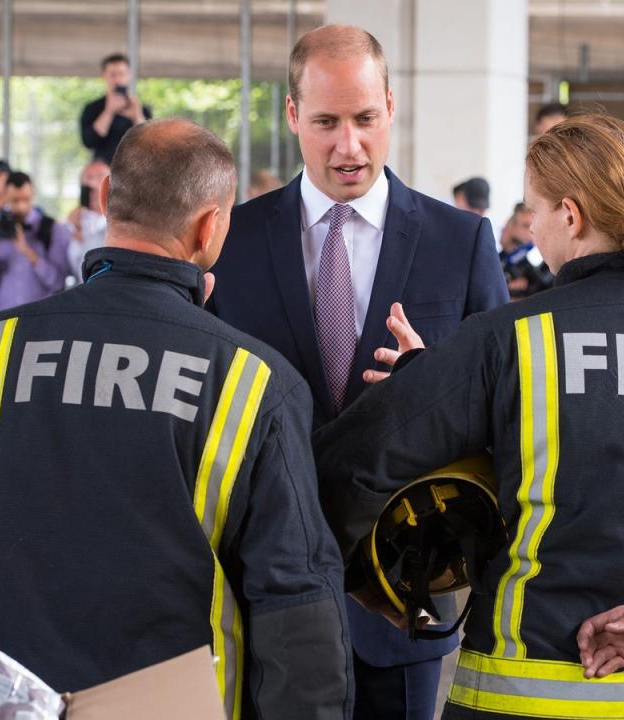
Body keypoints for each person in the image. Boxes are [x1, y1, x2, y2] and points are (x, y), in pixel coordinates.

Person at [313, 114, 624, 720]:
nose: (532, 227)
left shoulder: (508, 344)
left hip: (518, 700)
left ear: (570, 217)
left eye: (535, 209)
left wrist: (376, 581)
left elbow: (341, 467)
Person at [0, 119, 350, 719]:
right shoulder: (255, 383)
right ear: (210, 226)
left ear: (109, 196)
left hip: (16, 706)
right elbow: (296, 608)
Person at [208, 23, 508, 720]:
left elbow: (505, 409)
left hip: (401, 597)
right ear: (292, 117)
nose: (349, 145)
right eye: (326, 122)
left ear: (391, 109)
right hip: (263, 592)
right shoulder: (231, 240)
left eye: (366, 119)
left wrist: (436, 380)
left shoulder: (460, 241)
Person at [0, 171, 71, 312]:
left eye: (26, 199)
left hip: (40, 316)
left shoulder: (51, 229)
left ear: (33, 195)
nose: (21, 206)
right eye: (15, 200)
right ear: (5, 197)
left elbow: (58, 283)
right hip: (2, 316)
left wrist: (28, 252)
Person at [80, 53, 152, 164]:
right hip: (103, 172)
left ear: (129, 75)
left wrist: (137, 116)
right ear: (104, 75)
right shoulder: (92, 108)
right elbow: (89, 142)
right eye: (113, 75)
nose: (118, 79)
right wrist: (108, 112)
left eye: (121, 74)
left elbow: (149, 143)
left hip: (133, 170)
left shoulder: (141, 109)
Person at [499, 201, 553, 299]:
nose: (530, 232)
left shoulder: (545, 262)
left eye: (533, 225)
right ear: (511, 226)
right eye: (526, 226)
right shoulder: (499, 261)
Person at [66, 159, 110, 279]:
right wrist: (77, 232)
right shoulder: (72, 223)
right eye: (89, 177)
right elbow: (71, 267)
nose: (93, 183)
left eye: (100, 176)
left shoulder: (121, 219)